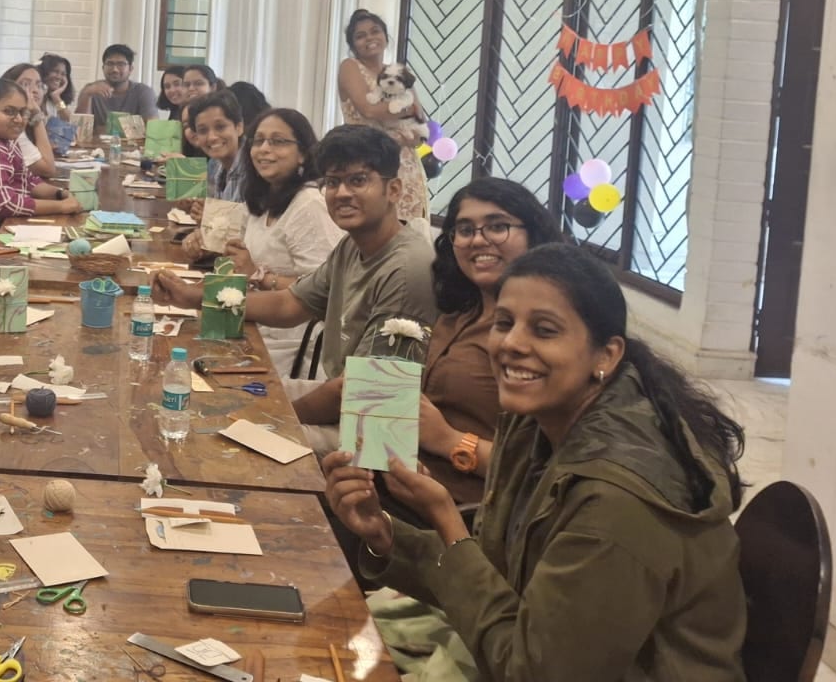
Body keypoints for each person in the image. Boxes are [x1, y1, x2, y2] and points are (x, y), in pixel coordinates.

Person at [324, 243, 747, 682]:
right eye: (504, 323)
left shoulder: (616, 503)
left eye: (544, 330)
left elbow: (532, 671)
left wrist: (447, 519)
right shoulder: (537, 425)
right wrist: (385, 534)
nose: (512, 344)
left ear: (607, 355)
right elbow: (502, 582)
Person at [153, 125, 437, 454]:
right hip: (341, 398)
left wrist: (276, 419)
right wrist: (196, 297)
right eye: (332, 182)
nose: (342, 193)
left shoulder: (405, 269)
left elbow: (367, 396)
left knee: (218, 438)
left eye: (358, 180)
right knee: (211, 392)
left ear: (394, 190)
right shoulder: (354, 245)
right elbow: (290, 305)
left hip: (374, 433)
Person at [416, 179, 563, 506]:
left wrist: (449, 441)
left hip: (470, 517)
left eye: (497, 227)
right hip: (406, 488)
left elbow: (545, 470)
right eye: (465, 230)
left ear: (532, 236)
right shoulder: (455, 316)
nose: (478, 240)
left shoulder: (541, 340)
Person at [219, 108, 342, 381]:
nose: (263, 149)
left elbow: (327, 292)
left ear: (303, 153)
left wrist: (259, 275)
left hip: (292, 343)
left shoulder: (309, 205)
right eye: (258, 140)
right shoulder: (263, 198)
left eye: (277, 141)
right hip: (254, 322)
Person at [0, 77, 83, 247]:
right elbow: (3, 205)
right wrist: (62, 207)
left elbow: (27, 180)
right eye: (9, 111)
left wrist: (60, 194)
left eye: (23, 112)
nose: (19, 119)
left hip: (0, 232)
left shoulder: (4, 137)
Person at [339, 9, 431, 222]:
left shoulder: (396, 70)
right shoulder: (350, 67)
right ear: (353, 45)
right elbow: (368, 110)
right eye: (360, 36)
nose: (369, 38)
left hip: (405, 162)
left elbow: (421, 121)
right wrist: (406, 110)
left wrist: (409, 128)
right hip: (367, 158)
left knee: (410, 232)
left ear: (385, 37)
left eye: (375, 31)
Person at [75, 42, 160, 126]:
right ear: (103, 68)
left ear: (130, 69)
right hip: (95, 140)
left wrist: (104, 130)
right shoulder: (91, 90)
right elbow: (79, 129)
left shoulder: (144, 92)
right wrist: (87, 94)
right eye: (110, 64)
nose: (115, 69)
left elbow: (153, 127)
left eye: (121, 64)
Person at [1, 61, 58, 179]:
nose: (35, 90)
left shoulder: (24, 118)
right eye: (25, 84)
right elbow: (48, 169)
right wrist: (37, 115)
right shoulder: (10, 123)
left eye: (39, 85)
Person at [38, 52, 77, 119]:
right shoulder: (35, 97)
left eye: (63, 74)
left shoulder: (56, 101)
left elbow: (70, 120)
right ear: (43, 72)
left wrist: (56, 96)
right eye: (55, 71)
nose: (59, 77)